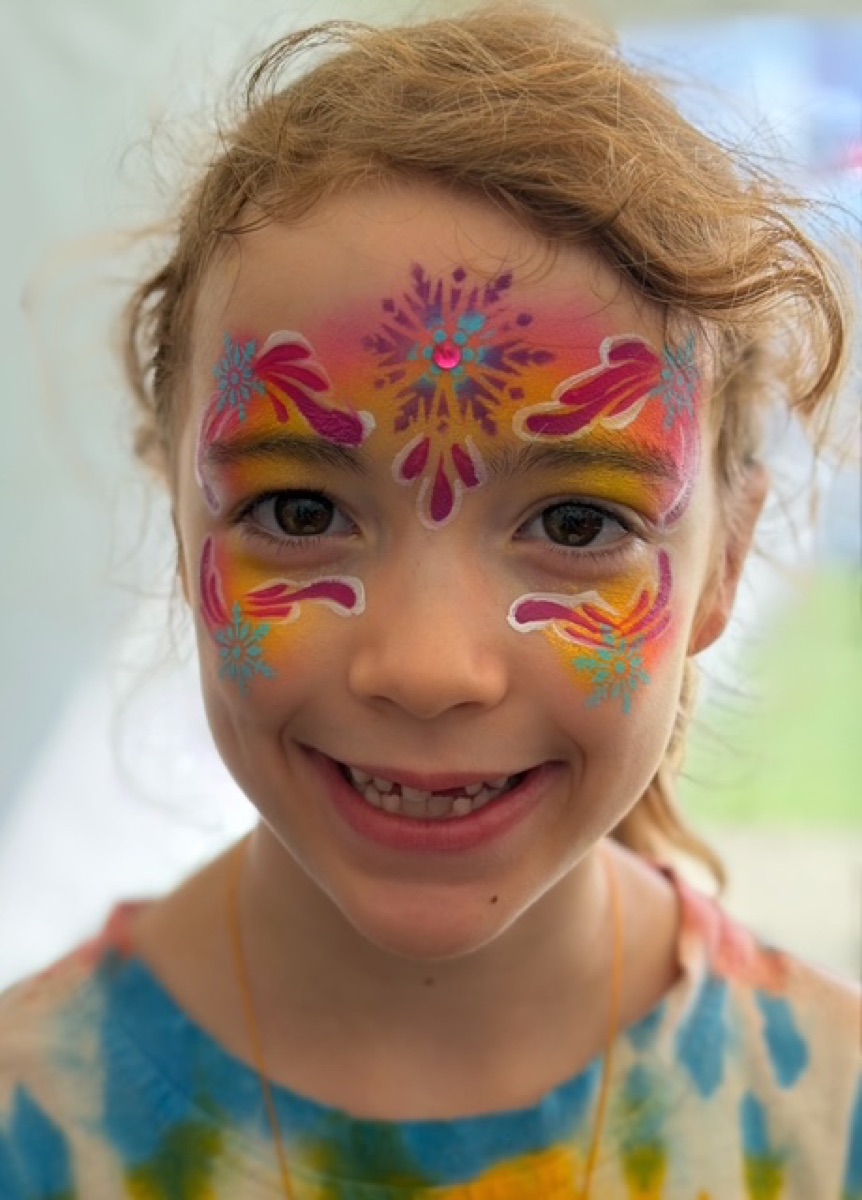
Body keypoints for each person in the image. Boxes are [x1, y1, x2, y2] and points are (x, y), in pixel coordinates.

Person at [1, 5, 858, 1197]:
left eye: (576, 524)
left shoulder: (830, 1121)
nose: (427, 665)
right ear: (178, 509)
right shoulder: (26, 1124)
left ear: (723, 563)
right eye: (300, 513)